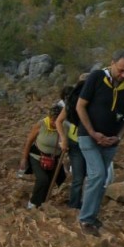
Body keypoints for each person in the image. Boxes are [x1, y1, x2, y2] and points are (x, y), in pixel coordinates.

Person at [76, 49, 124, 236]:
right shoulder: (96, 77)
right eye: (120, 70)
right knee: (97, 174)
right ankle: (85, 219)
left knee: (102, 179)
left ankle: (92, 216)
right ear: (112, 63)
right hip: (88, 136)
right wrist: (93, 133)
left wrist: (119, 137)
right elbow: (81, 106)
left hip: (111, 140)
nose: (123, 74)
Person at [18, 105, 64, 209]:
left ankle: (42, 203)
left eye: (58, 121)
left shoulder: (65, 126)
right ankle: (33, 202)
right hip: (37, 156)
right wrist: (24, 158)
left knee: (51, 182)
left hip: (54, 159)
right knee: (43, 179)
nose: (55, 123)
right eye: (53, 120)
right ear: (50, 117)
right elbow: (29, 141)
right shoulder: (41, 124)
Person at [55, 75, 88, 209]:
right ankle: (75, 204)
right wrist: (63, 139)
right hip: (77, 143)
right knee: (79, 177)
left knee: (90, 177)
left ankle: (86, 204)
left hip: (93, 143)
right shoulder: (73, 101)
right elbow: (58, 121)